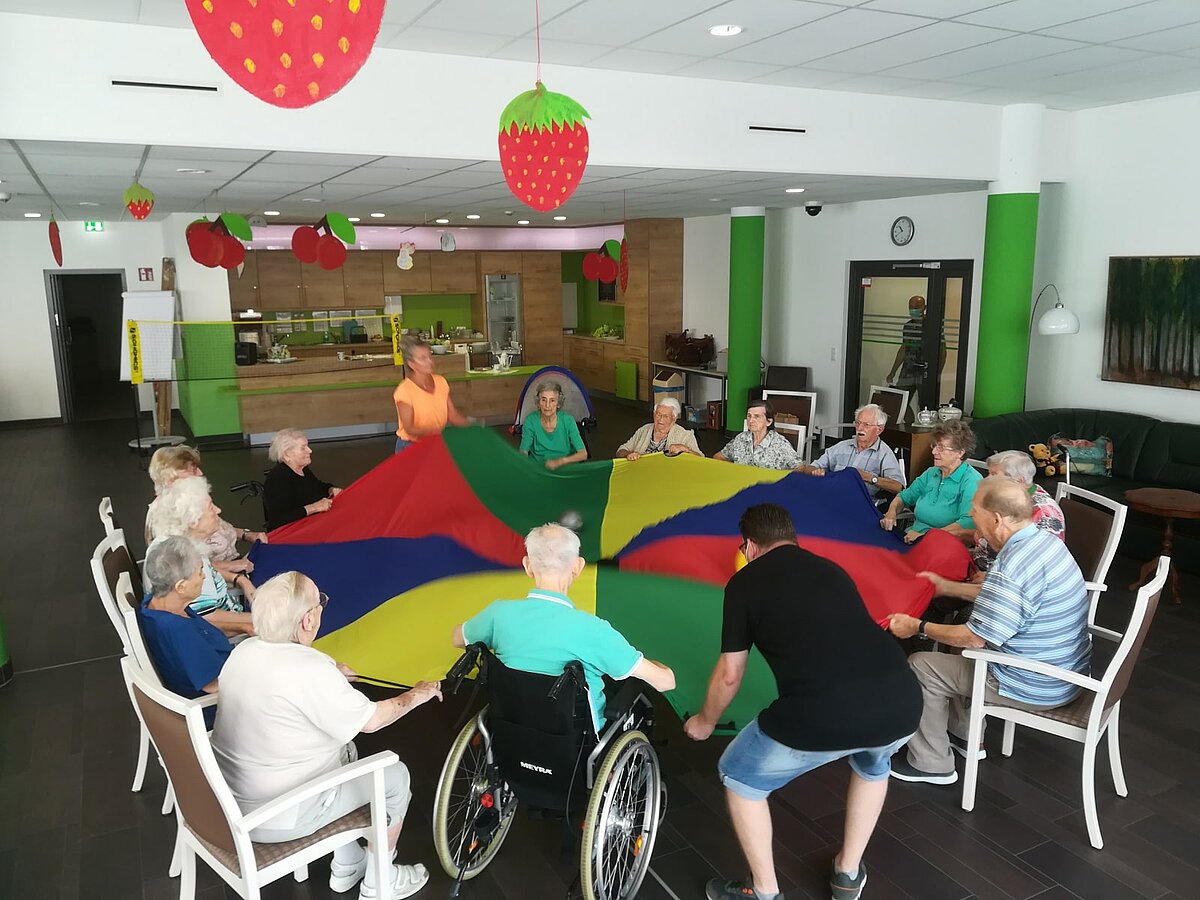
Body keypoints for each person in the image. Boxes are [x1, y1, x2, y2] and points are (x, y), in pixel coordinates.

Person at [684, 504, 921, 900]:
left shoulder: (744, 583)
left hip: (824, 713)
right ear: (793, 539)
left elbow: (730, 673)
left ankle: (763, 892)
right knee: (873, 764)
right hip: (901, 701)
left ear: (750, 546)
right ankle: (847, 874)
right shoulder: (831, 569)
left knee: (739, 776)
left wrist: (705, 721)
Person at [212, 571, 441, 900]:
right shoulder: (309, 670)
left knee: (342, 750)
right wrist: (416, 695)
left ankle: (347, 861)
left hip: (232, 800)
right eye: (321, 602)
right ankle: (382, 880)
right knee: (394, 775)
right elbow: (373, 720)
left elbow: (283, 690)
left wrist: (330, 675)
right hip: (279, 815)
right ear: (307, 621)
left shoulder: (244, 652)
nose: (322, 608)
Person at [885, 478, 1090, 785]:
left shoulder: (1012, 566)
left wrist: (917, 627)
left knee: (921, 665)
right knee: (960, 650)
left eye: (974, 510)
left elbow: (973, 637)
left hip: (1036, 683)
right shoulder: (1043, 541)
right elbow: (1004, 600)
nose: (971, 516)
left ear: (996, 519)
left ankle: (931, 762)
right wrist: (946, 587)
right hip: (1065, 668)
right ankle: (965, 735)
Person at [452, 523, 675, 732]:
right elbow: (666, 683)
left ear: (528, 566)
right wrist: (656, 665)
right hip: (573, 737)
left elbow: (457, 638)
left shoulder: (498, 613)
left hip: (511, 724)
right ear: (577, 567)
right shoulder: (593, 630)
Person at [148, 477, 255, 636]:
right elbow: (209, 619)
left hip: (231, 606)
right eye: (211, 507)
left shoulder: (180, 545)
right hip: (232, 634)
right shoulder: (182, 559)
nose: (218, 510)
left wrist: (239, 580)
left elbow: (209, 571)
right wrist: (262, 619)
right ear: (192, 521)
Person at [137, 535, 231, 702]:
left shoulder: (152, 604)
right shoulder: (178, 630)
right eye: (200, 571)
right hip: (219, 704)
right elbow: (213, 685)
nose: (204, 577)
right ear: (181, 586)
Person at [145, 444, 266, 566]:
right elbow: (184, 569)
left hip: (238, 563)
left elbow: (220, 528)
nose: (200, 473)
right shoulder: (166, 514)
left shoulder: (191, 499)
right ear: (171, 476)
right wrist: (235, 571)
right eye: (193, 469)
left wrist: (248, 535)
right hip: (220, 578)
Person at [881, 420, 980, 544]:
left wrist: (924, 536)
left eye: (941, 448)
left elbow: (967, 524)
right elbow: (903, 497)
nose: (933, 452)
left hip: (941, 546)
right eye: (934, 446)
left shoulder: (971, 481)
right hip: (911, 538)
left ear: (960, 452)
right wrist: (891, 513)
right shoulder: (931, 473)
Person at [971, 450, 1065, 574]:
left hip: (1001, 578)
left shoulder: (1044, 514)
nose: (987, 479)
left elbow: (1036, 567)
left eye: (993, 474)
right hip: (979, 564)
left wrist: (988, 578)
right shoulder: (1008, 498)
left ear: (1019, 481)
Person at [798, 403, 905, 498]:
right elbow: (809, 468)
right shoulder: (841, 447)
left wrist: (870, 478)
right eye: (858, 423)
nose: (860, 428)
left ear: (879, 429)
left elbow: (897, 486)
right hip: (831, 497)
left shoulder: (884, 453)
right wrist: (815, 471)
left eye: (866, 425)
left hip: (860, 504)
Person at [393, 336, 470, 454]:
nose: (430, 361)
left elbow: (453, 415)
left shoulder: (441, 382)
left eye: (430, 356)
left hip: (434, 442)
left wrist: (473, 427)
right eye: (423, 358)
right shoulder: (404, 391)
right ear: (412, 364)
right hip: (410, 446)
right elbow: (410, 429)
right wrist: (433, 432)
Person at [263, 427, 343, 531]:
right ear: (287, 455)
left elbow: (317, 486)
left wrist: (331, 489)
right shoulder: (278, 478)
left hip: (317, 523)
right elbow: (278, 520)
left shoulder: (302, 468)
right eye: (303, 448)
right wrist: (314, 507)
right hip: (299, 531)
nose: (310, 450)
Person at [886, 295, 945, 422]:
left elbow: (942, 351)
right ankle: (910, 426)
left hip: (925, 372)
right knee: (899, 402)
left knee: (925, 407)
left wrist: (937, 373)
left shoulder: (932, 326)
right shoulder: (908, 326)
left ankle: (922, 431)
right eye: (911, 307)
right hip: (908, 370)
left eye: (917, 307)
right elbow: (903, 348)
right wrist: (893, 371)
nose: (913, 310)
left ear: (924, 308)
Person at [714, 399, 802, 471]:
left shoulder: (780, 444)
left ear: (769, 421)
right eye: (749, 416)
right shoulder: (741, 439)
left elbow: (800, 468)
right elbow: (718, 457)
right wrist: (734, 470)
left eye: (757, 416)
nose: (751, 420)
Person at [519, 381, 589, 471]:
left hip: (565, 468)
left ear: (558, 404)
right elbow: (523, 451)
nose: (547, 405)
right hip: (539, 469)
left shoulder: (568, 420)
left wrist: (559, 462)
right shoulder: (531, 420)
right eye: (543, 400)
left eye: (552, 400)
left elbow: (583, 454)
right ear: (538, 403)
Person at [616, 397, 703, 460]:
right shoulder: (644, 430)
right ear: (654, 415)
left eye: (666, 416)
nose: (661, 419)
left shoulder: (685, 435)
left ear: (674, 419)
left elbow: (701, 459)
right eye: (658, 414)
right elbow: (621, 450)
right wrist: (628, 455)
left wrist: (685, 449)